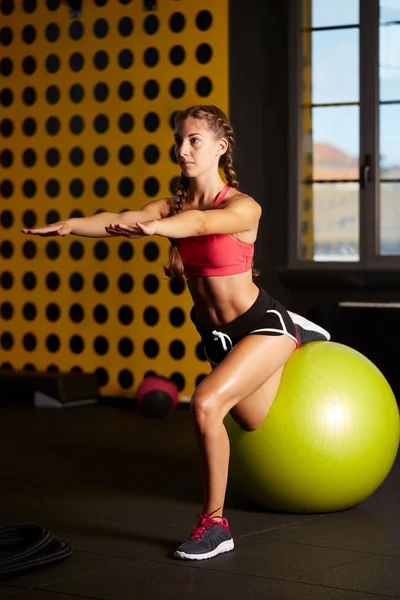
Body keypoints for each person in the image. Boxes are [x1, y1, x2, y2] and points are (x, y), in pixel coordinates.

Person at [22, 104, 330, 561]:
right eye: (179, 141)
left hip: (260, 325)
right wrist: (70, 227)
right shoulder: (172, 206)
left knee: (206, 402)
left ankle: (215, 525)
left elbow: (202, 225)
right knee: (252, 419)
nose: (182, 150)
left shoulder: (242, 207)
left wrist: (154, 228)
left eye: (194, 141)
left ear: (220, 147)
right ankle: (301, 332)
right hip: (217, 334)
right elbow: (118, 218)